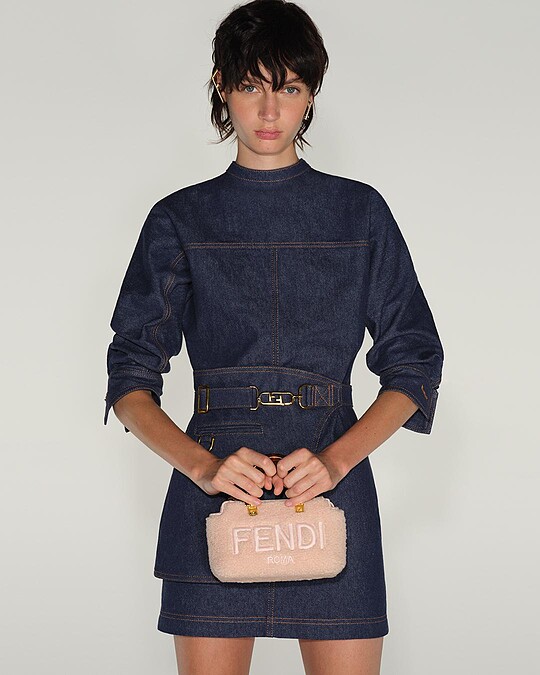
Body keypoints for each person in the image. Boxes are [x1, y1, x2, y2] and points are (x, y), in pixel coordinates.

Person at [103, 1, 444, 673]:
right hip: (217, 490)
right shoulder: (178, 218)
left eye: (288, 87)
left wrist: (336, 462)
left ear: (311, 93)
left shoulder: (360, 211)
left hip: (332, 482)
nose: (268, 109)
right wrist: (203, 467)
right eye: (250, 85)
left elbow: (415, 362)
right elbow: (129, 380)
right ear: (221, 87)